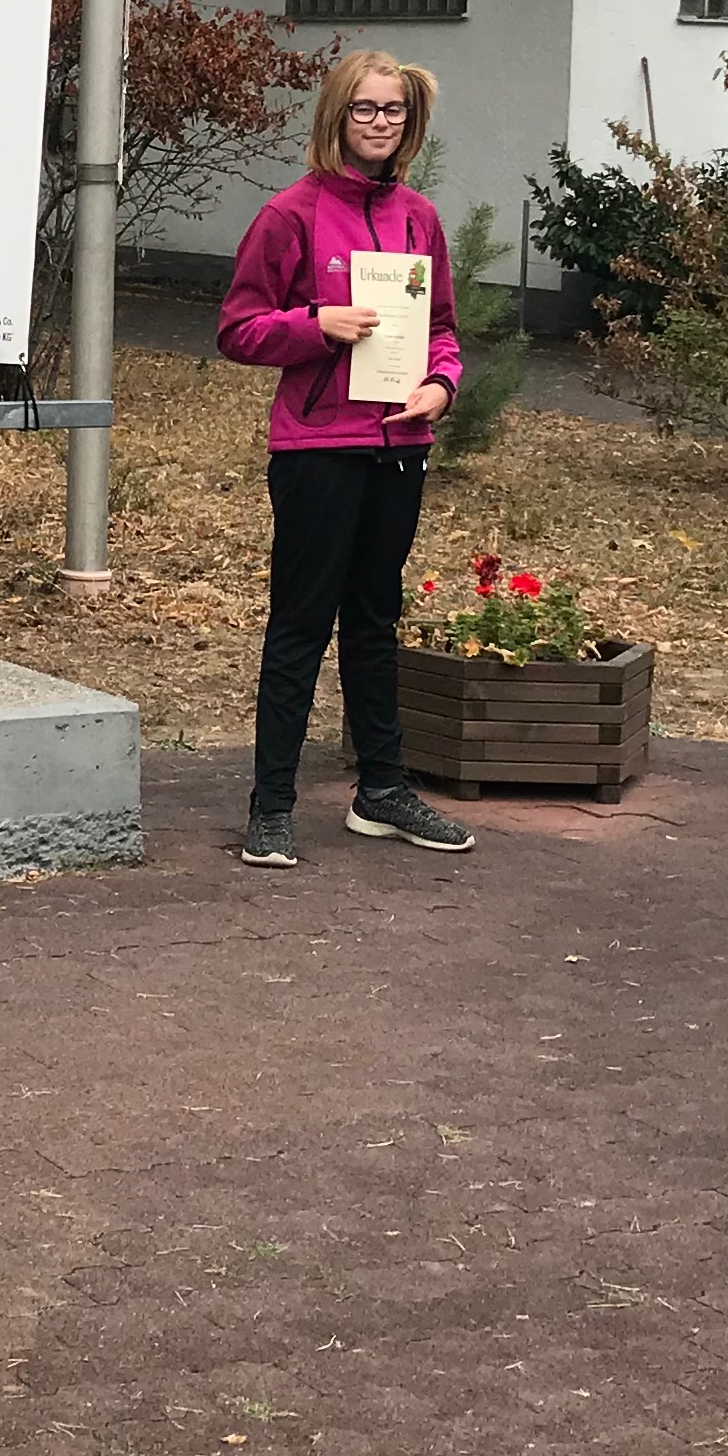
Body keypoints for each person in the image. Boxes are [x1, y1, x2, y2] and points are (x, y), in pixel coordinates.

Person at [214, 47, 473, 866]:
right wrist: (315, 325)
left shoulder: (419, 219)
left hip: (400, 447)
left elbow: (441, 329)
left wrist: (442, 387)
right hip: (317, 449)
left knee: (374, 621)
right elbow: (238, 330)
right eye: (365, 108)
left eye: (393, 110)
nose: (380, 123)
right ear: (336, 116)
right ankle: (272, 806)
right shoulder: (289, 215)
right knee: (300, 625)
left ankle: (382, 791)